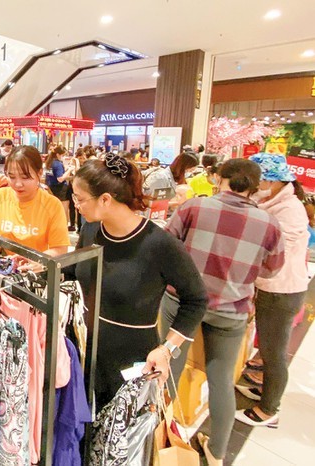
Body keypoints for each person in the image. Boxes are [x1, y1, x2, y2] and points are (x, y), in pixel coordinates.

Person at [160, 158, 285, 466]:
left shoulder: (194, 208)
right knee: (221, 380)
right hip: (232, 310)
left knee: (167, 376)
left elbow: (166, 246)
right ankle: (216, 453)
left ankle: (156, 440)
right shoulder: (269, 223)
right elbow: (273, 268)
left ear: (219, 178)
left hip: (183, 302)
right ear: (255, 187)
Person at [68, 153, 208, 411]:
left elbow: (196, 299)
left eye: (79, 198)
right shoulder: (90, 230)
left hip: (131, 359)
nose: (75, 204)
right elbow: (74, 271)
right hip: (83, 349)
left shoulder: (159, 244)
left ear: (106, 199)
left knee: (120, 443)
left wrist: (167, 349)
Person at [235, 154, 309, 428]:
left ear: (276, 181)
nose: (259, 187)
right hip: (270, 287)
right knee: (267, 348)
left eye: (262, 181)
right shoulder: (271, 202)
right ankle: (266, 392)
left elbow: (276, 253)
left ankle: (269, 409)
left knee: (274, 351)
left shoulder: (289, 210)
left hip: (282, 291)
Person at [0, 145, 70, 259]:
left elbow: (60, 249)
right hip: (0, 269)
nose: (18, 184)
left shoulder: (52, 205)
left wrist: (34, 261)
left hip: (35, 272)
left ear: (39, 173)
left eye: (25, 177)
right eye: (12, 177)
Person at [44, 146, 73, 225]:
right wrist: (70, 170)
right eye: (63, 155)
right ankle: (63, 226)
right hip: (61, 189)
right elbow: (60, 178)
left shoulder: (49, 162)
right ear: (58, 154)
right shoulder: (58, 164)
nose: (64, 157)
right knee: (63, 210)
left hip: (51, 188)